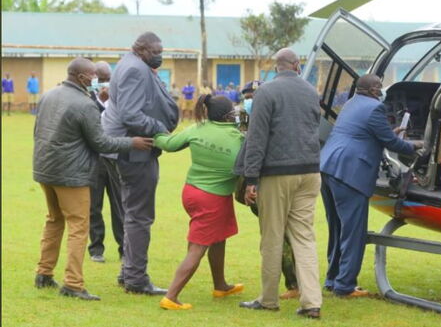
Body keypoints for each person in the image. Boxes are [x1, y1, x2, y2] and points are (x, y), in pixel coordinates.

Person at [33, 57, 154, 301]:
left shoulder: (49, 95)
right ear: (80, 77)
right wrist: (132, 142)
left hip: (45, 169)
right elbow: (101, 142)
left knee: (54, 220)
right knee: (79, 226)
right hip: (71, 174)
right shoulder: (85, 104)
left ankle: (44, 273)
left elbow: (38, 131)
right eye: (92, 75)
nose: (95, 80)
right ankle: (73, 284)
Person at [239, 48, 323, 319]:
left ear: (277, 67)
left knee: (273, 237)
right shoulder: (311, 91)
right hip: (310, 172)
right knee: (304, 237)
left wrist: (251, 178)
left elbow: (256, 137)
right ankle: (312, 302)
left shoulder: (266, 92)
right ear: (297, 66)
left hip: (277, 174)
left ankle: (268, 299)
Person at [320, 74, 421, 298]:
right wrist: (417, 145)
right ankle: (345, 286)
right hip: (350, 173)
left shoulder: (351, 103)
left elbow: (366, 133)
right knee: (353, 231)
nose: (381, 91)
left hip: (328, 167)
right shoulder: (375, 108)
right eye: (378, 87)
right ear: (373, 90)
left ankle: (332, 278)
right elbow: (392, 143)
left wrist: (388, 134)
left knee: (337, 228)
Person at [101, 31, 179, 295]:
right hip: (134, 149)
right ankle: (136, 278)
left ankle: (128, 271)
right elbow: (132, 114)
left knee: (131, 213)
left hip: (122, 148)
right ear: (143, 49)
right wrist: (160, 129)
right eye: (156, 51)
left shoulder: (131, 64)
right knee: (139, 215)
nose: (160, 55)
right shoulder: (136, 70)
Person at [154, 94, 244, 310]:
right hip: (213, 198)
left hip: (192, 192)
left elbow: (169, 144)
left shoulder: (198, 128)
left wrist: (153, 134)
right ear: (227, 116)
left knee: (218, 237)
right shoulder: (238, 137)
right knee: (198, 247)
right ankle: (171, 296)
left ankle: (220, 285)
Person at [235, 80, 300, 300]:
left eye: (254, 96)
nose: (250, 101)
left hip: (270, 183)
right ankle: (297, 283)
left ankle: (294, 283)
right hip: (268, 183)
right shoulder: (244, 120)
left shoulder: (273, 121)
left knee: (279, 237)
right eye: (248, 97)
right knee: (284, 234)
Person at [87, 61, 125, 263]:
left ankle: (124, 248)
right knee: (94, 205)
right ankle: (96, 248)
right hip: (94, 159)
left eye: (107, 79)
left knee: (119, 205)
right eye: (100, 80)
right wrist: (100, 102)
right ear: (94, 80)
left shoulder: (119, 98)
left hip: (114, 158)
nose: (104, 83)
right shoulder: (88, 97)